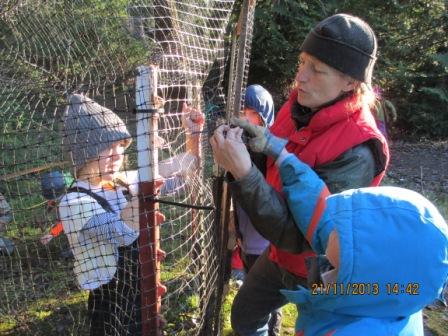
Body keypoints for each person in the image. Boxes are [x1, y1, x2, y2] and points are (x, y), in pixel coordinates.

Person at [210, 13, 390, 336]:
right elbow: (275, 169)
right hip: (280, 254)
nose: (300, 78)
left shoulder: (359, 150)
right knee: (245, 315)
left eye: (316, 69)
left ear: (351, 82)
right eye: (302, 62)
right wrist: (246, 145)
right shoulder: (298, 106)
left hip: (322, 269)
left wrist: (242, 170)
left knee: (313, 330)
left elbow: (300, 235)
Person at [218, 121, 448, 335]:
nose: (327, 231)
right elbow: (315, 205)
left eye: (335, 231)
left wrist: (245, 174)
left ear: (365, 273)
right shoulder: (379, 284)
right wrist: (278, 152)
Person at [59, 94, 203, 336]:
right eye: (108, 147)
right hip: (111, 308)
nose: (117, 155)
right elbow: (123, 233)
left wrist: (193, 134)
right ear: (84, 152)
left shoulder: (120, 182)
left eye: (121, 145)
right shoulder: (73, 202)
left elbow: (185, 168)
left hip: (141, 293)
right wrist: (146, 188)